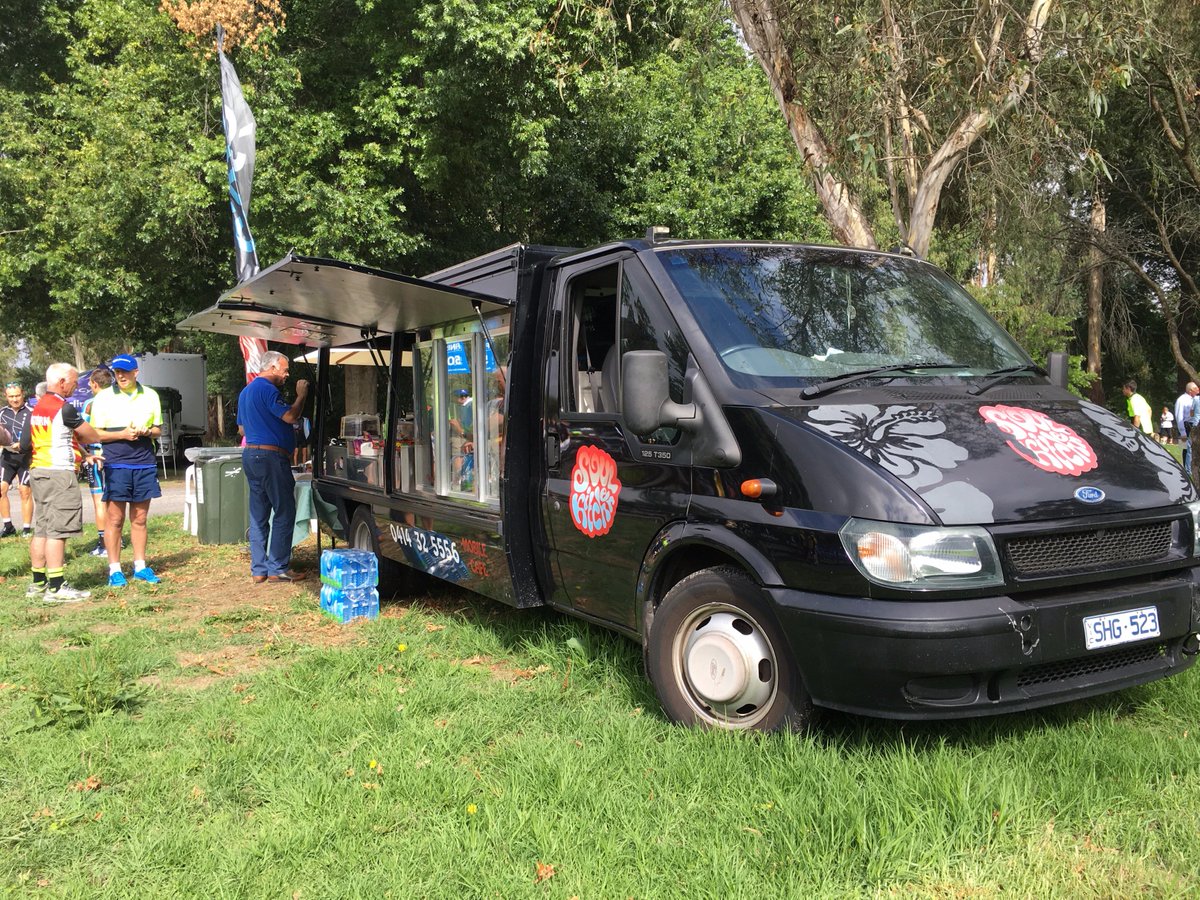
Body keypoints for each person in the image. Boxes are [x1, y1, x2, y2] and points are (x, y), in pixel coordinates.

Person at [19, 363, 134, 601]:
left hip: (39, 471)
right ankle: (57, 587)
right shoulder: (65, 408)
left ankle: (38, 583)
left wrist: (83, 454)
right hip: (59, 474)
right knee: (58, 532)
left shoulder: (37, 408)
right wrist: (117, 434)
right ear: (61, 382)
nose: (75, 385)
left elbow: (29, 443)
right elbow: (91, 434)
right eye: (73, 381)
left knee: (41, 529)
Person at [88, 354, 163, 587]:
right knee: (115, 518)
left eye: (125, 371)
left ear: (135, 373)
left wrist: (147, 431)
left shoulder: (150, 395)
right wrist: (121, 434)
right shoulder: (103, 398)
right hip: (116, 462)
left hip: (144, 461)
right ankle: (115, 570)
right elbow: (94, 433)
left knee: (140, 518)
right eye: (117, 372)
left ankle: (140, 567)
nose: (120, 375)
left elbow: (159, 429)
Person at [238, 350, 309, 584]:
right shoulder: (268, 389)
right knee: (284, 510)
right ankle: (278, 567)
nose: (287, 374)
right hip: (271, 458)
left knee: (258, 513)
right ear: (271, 368)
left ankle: (258, 569)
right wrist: (301, 396)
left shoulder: (246, 392)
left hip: (251, 455)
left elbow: (241, 430)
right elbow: (289, 417)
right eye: (285, 369)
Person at [82, 367, 118, 556]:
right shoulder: (119, 399)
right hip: (118, 454)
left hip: (97, 456)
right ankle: (116, 540)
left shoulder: (90, 404)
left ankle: (104, 543)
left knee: (99, 500)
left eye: (89, 384)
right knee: (114, 500)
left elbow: (82, 431)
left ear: (94, 384)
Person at [0, 382, 33, 538]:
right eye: (11, 396)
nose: (14, 399)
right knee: (1, 490)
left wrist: (24, 443)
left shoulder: (32, 412)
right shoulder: (1, 413)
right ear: (6, 396)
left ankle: (26, 529)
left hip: (26, 457)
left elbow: (39, 434)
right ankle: (8, 526)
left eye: (17, 395)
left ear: (23, 394)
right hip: (7, 457)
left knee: (24, 491)